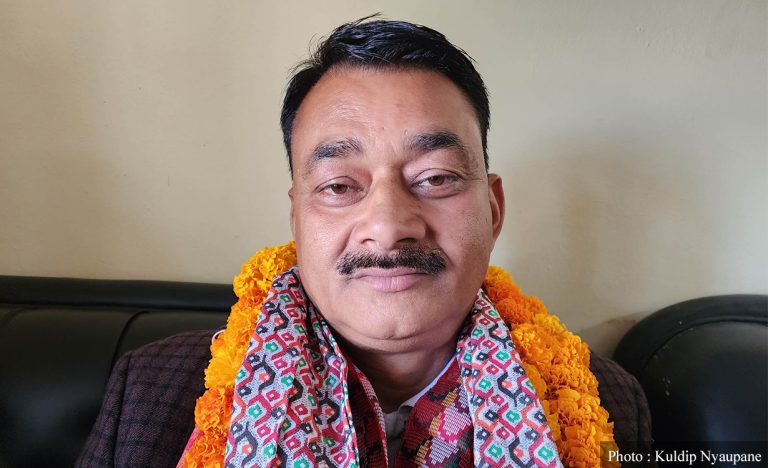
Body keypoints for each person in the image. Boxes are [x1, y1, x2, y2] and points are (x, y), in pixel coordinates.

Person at [78, 17, 652, 467]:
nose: (389, 224)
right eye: (339, 186)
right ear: (297, 219)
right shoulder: (150, 389)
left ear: (494, 208)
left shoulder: (608, 402)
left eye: (436, 178)